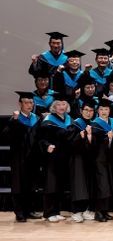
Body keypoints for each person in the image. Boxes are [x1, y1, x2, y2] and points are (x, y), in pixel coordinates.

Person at [5, 92, 42, 222]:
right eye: (26, 102)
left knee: (31, 185)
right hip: (18, 157)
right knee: (18, 185)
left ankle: (29, 210)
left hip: (33, 157)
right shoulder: (15, 119)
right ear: (20, 103)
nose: (29, 105)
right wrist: (15, 121)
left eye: (31, 102)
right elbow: (7, 136)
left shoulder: (37, 119)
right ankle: (19, 212)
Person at [37, 94, 73, 222]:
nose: (61, 107)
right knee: (51, 185)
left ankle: (56, 211)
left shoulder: (69, 119)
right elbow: (40, 138)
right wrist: (47, 145)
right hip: (52, 157)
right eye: (58, 104)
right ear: (54, 106)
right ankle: (48, 212)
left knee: (60, 185)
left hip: (64, 157)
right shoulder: (48, 121)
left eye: (63, 104)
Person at [68, 99, 97, 223]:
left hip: (89, 159)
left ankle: (86, 210)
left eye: (91, 110)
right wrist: (79, 137)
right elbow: (69, 143)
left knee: (88, 185)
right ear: (81, 111)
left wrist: (89, 137)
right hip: (77, 159)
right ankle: (76, 211)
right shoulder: (75, 124)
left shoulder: (93, 125)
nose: (89, 113)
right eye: (86, 110)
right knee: (78, 185)